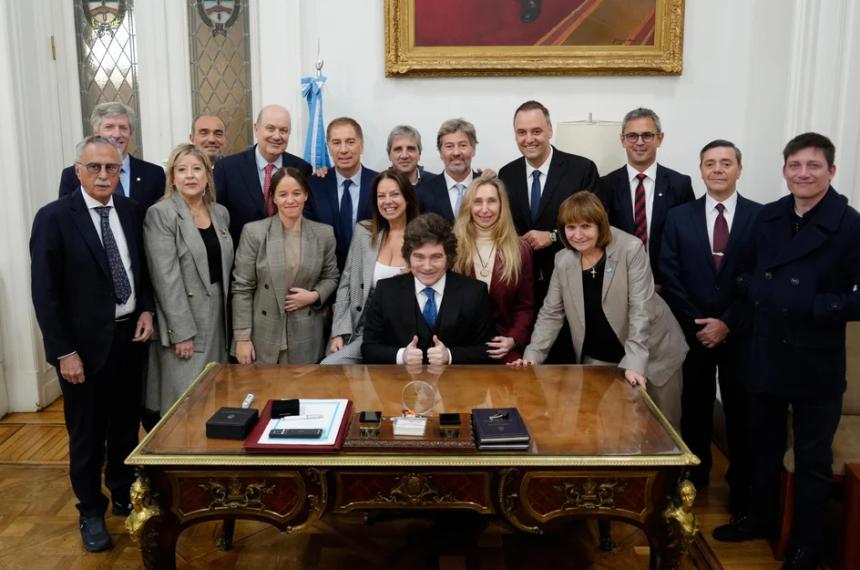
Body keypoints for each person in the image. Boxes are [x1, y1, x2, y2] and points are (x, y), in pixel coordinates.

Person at [712, 133, 860, 570]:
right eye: (795, 166)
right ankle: (759, 519)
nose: (803, 174)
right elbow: (742, 274)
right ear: (784, 171)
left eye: (813, 166)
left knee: (813, 460)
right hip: (766, 350)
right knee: (763, 447)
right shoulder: (769, 217)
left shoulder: (850, 225)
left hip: (816, 359)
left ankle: (806, 545)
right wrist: (756, 297)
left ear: (831, 171)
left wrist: (812, 304)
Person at [31, 135, 154, 552]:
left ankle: (121, 492)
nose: (104, 175)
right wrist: (64, 352)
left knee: (124, 427)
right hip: (81, 352)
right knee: (86, 436)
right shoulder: (54, 218)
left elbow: (142, 273)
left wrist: (146, 310)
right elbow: (45, 294)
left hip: (128, 342)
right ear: (78, 170)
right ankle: (90, 511)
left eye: (112, 168)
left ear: (121, 171)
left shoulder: (132, 211)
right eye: (95, 167)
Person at [511, 192, 687, 428]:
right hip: (599, 359)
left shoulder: (630, 249)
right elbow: (551, 314)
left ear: (600, 225)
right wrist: (532, 356)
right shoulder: (563, 260)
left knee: (662, 431)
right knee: (607, 432)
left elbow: (640, 309)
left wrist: (635, 363)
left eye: (586, 226)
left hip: (654, 355)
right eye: (570, 227)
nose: (578, 234)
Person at [659, 140, 760, 513]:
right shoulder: (679, 216)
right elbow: (669, 272)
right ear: (700, 170)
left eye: (726, 163)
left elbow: (761, 277)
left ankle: (741, 489)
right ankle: (695, 481)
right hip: (693, 332)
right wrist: (700, 322)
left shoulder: (760, 217)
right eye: (710, 163)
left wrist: (727, 322)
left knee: (740, 412)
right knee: (694, 409)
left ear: (739, 169)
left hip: (740, 334)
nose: (718, 169)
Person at [499, 100, 599, 363]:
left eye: (536, 131)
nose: (529, 139)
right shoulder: (506, 174)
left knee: (564, 370)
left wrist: (553, 235)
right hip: (523, 290)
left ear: (550, 130)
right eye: (522, 132)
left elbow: (595, 225)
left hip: (571, 283)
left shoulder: (581, 169)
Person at [143, 143, 233, 416]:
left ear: (208, 174)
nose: (190, 176)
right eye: (182, 170)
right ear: (172, 176)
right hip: (185, 321)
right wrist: (181, 332)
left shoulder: (220, 213)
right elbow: (166, 279)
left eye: (196, 169)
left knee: (215, 397)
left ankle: (212, 457)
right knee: (185, 403)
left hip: (219, 317)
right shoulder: (161, 214)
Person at [231, 167, 339, 364]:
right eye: (283, 194)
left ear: (306, 195)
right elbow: (242, 288)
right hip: (263, 335)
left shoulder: (324, 234)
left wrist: (314, 295)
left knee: (301, 392)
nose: (291, 200)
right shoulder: (254, 233)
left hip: (306, 334)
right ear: (273, 198)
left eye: (297, 193)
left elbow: (331, 276)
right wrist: (242, 338)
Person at [362, 213, 496, 365]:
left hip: (457, 384)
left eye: (436, 257)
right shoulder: (385, 291)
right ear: (408, 257)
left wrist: (450, 356)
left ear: (448, 257)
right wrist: (402, 356)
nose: (427, 266)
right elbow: (369, 348)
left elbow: (487, 350)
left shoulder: (475, 292)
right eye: (419, 257)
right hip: (399, 384)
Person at [322, 169, 420, 364]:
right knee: (330, 368)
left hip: (405, 333)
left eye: (394, 194)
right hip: (360, 330)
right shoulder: (364, 232)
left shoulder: (423, 236)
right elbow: (346, 284)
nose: (387, 201)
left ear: (407, 197)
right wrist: (338, 333)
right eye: (381, 196)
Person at [598, 107, 694, 287]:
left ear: (660, 138)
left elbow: (688, 241)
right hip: (618, 283)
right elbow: (601, 238)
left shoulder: (680, 184)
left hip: (667, 286)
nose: (639, 142)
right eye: (632, 136)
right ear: (622, 140)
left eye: (647, 135)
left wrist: (667, 283)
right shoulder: (605, 185)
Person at [452, 175, 534, 363]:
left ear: (502, 205)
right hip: (459, 350)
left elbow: (525, 306)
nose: (485, 209)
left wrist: (513, 339)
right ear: (468, 206)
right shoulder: (452, 247)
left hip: (503, 350)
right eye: (477, 202)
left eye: (492, 201)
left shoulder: (520, 249)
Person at [214, 104, 312, 246]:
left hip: (289, 255)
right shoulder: (227, 168)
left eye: (283, 130)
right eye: (270, 128)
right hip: (242, 256)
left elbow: (307, 216)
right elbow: (219, 218)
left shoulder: (302, 168)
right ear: (256, 129)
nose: (277, 136)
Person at [58, 102, 166, 211]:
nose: (117, 134)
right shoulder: (73, 175)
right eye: (109, 127)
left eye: (123, 128)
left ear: (131, 132)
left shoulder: (154, 174)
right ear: (96, 132)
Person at [306, 117, 379, 271]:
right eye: (336, 142)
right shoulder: (313, 185)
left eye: (350, 142)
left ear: (362, 145)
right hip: (325, 275)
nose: (343, 149)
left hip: (369, 274)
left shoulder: (379, 184)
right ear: (329, 147)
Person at [417, 118, 484, 223]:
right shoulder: (423, 192)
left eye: (463, 145)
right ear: (440, 152)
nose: (456, 152)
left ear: (473, 149)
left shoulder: (488, 186)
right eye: (449, 146)